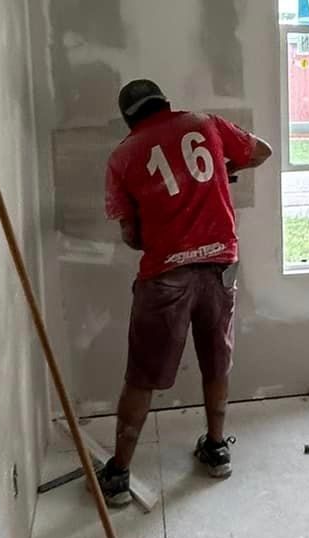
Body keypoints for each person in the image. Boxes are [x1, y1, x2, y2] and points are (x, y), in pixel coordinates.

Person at [97, 78, 271, 507]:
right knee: (216, 359)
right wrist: (222, 170)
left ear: (128, 117)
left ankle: (118, 474)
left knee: (142, 375)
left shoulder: (123, 156)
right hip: (219, 264)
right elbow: (261, 151)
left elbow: (133, 236)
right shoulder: (205, 124)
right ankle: (216, 449)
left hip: (166, 275)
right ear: (165, 102)